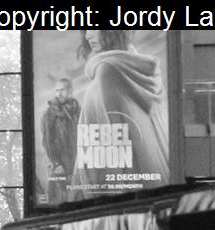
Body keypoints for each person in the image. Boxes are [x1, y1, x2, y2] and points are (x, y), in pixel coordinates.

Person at [70, 30, 170, 198]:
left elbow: (108, 146)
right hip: (153, 185)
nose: (87, 36)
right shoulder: (139, 66)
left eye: (93, 28)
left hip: (120, 198)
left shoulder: (107, 71)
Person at [40, 77, 80, 205]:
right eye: (57, 91)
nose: (59, 93)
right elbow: (47, 141)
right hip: (59, 164)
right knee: (57, 201)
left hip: (77, 161)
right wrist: (56, 163)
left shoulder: (77, 110)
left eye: (62, 90)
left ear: (70, 91)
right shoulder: (49, 114)